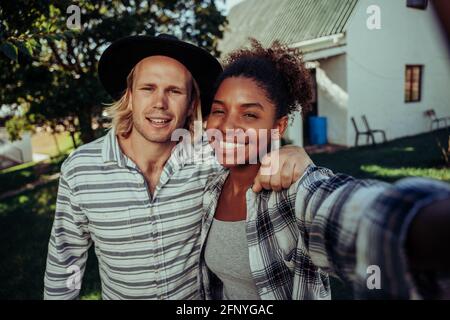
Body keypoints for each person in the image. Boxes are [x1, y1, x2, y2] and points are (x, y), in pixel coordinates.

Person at [43, 34, 314, 300]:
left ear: (191, 104)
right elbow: (66, 260)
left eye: (174, 91)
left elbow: (256, 148)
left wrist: (293, 153)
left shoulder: (212, 158)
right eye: (147, 88)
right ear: (130, 96)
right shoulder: (80, 170)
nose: (159, 103)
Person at [198, 39, 450, 300]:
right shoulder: (211, 190)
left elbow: (351, 213)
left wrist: (422, 221)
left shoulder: (291, 191)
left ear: (279, 127)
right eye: (219, 110)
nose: (226, 126)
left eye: (249, 114)